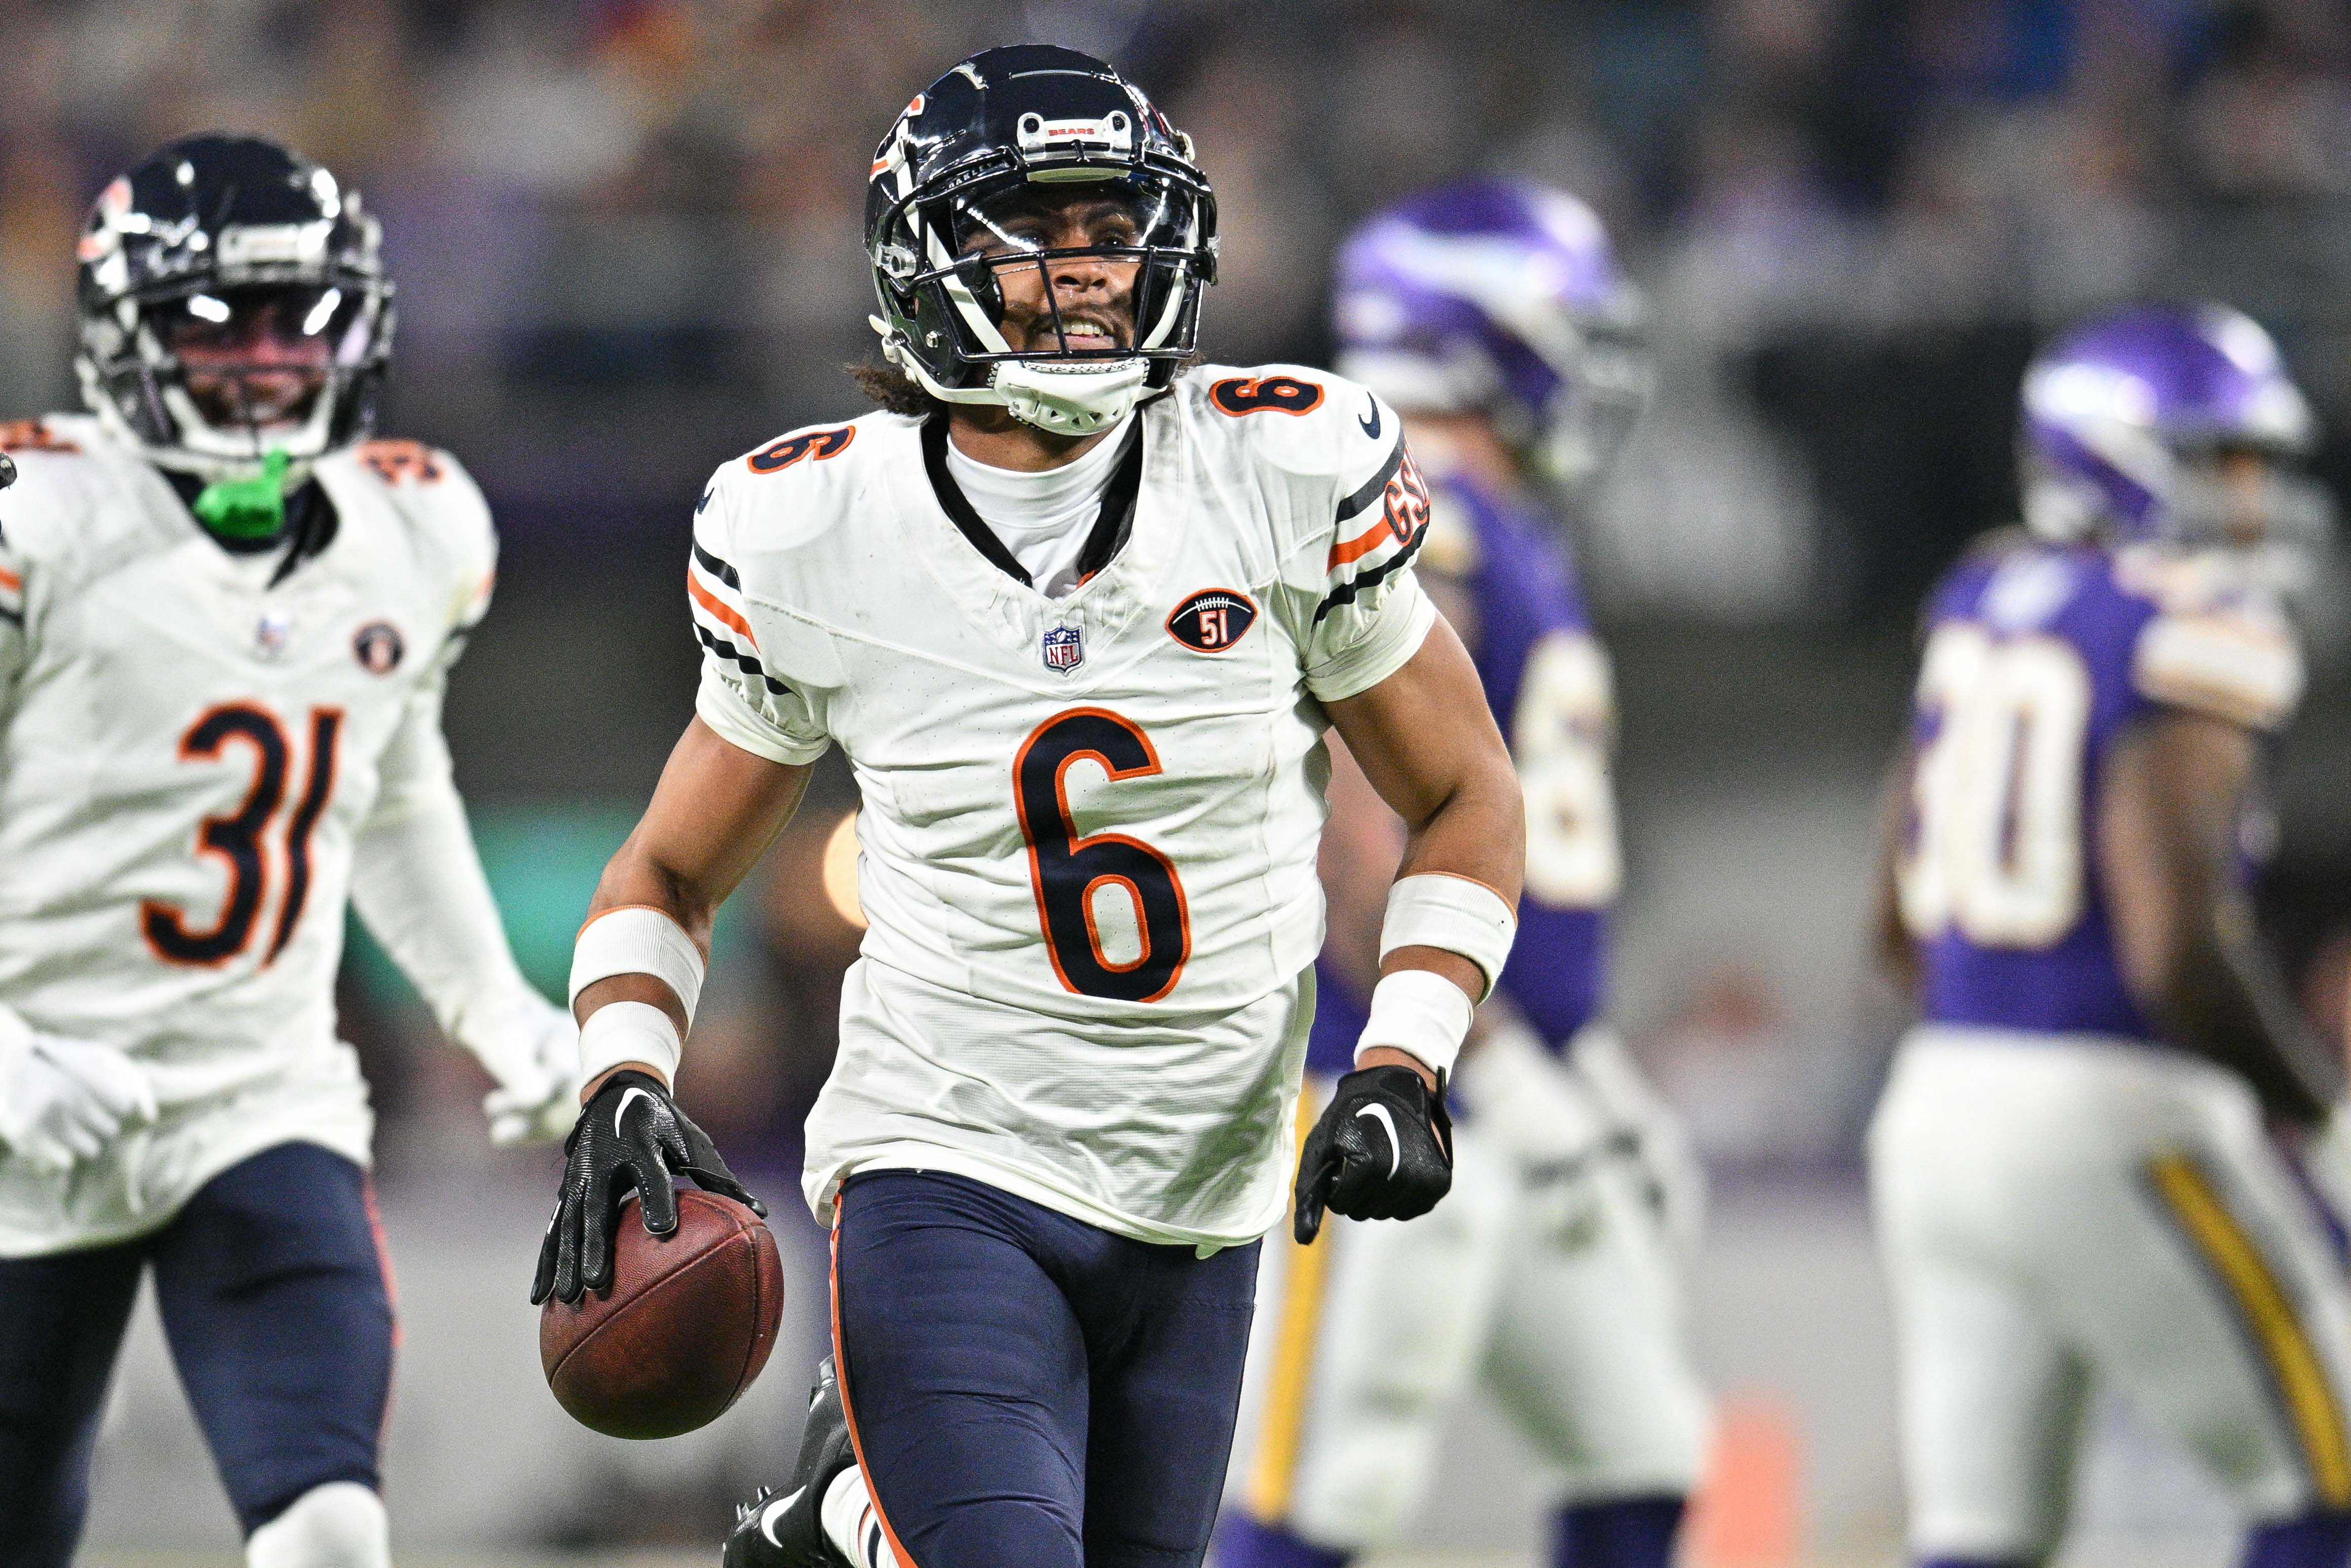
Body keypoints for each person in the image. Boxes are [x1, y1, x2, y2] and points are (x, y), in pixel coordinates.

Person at [524, 45, 1525, 1568]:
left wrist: (1407, 1054)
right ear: (923, 263)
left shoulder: (1277, 470)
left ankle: (844, 1529)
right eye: (1035, 232)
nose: (1088, 271)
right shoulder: (816, 527)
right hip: (950, 1166)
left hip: (1205, 1193)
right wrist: (620, 1079)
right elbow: (666, 871)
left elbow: (1465, 791)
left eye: (1111, 230)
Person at [0, 135, 581, 1568]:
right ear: (126, 335)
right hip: (22, 1106)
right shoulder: (40, 520)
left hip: (256, 1103)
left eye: (298, 321)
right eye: (219, 323)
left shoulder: (411, 523)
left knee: (328, 1528)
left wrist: (491, 1006)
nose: (267, 361)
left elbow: (391, 790)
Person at [1214, 181, 1711, 1568]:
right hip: (1379, 1079)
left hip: (1507, 1087)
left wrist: (1575, 1062)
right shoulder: (1413, 512)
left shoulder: (1485, 514)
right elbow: (1356, 832)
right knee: (1326, 1487)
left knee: (1640, 1451)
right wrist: (1477, 1062)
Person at [1869, 302, 2351, 1568]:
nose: (2254, 499)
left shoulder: (1984, 595)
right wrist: (2321, 1111)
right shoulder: (2199, 623)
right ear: (2126, 460)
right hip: (2107, 1109)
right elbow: (2174, 952)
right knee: (2331, 1478)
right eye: (2225, 462)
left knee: (1982, 1532)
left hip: (1934, 1110)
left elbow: (1893, 920)